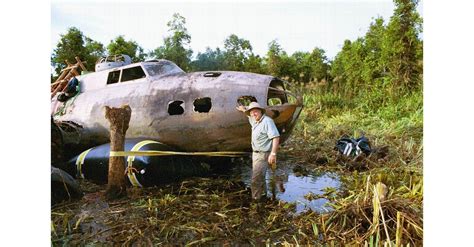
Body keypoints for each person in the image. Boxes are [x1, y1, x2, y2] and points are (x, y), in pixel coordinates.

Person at [236, 102, 280, 201]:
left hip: (263, 154)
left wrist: (273, 154)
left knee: (256, 180)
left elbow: (276, 137)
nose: (253, 114)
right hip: (255, 154)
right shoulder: (255, 121)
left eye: (255, 111)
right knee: (260, 177)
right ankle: (263, 196)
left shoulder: (267, 121)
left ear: (260, 111)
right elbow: (250, 116)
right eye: (251, 112)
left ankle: (256, 202)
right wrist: (244, 109)